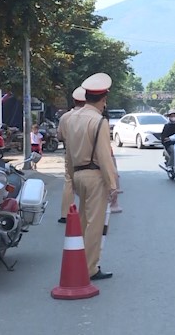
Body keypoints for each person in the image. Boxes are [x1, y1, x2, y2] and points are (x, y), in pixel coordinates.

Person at [64, 73, 118, 281]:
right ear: (103, 99)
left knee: (83, 223)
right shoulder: (98, 122)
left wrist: (71, 177)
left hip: (78, 174)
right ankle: (89, 269)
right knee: (94, 226)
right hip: (95, 177)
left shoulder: (72, 118)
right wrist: (112, 184)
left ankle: (78, 262)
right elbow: (104, 157)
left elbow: (68, 152)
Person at [56, 86, 85, 223]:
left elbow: (59, 136)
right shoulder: (92, 117)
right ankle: (86, 215)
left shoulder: (65, 117)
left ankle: (65, 214)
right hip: (88, 155)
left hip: (70, 153)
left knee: (69, 181)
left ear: (74, 101)